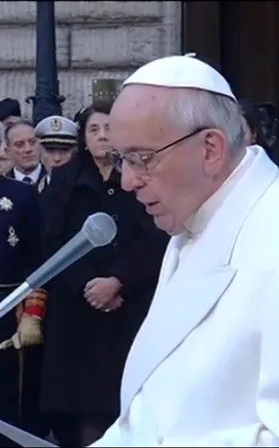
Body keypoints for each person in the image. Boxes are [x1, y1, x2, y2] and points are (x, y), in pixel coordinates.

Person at [93, 54, 279, 446]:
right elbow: (151, 408)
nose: (127, 182)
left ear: (210, 149)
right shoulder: (193, 219)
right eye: (120, 159)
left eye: (141, 159)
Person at [38, 95, 168, 447]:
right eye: (94, 129)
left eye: (109, 128)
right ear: (83, 137)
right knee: (75, 408)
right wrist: (87, 285)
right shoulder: (65, 179)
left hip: (125, 303)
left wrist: (117, 281)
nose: (101, 136)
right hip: (76, 307)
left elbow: (155, 235)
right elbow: (51, 241)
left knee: (116, 401)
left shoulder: (141, 174)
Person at [0, 114, 47, 446]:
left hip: (7, 309)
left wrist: (32, 315)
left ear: (0, 149)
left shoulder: (20, 196)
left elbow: (37, 260)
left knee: (7, 402)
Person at [33, 115, 78, 193]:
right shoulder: (34, 192)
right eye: (50, 151)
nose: (57, 158)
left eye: (64, 150)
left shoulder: (84, 190)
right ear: (41, 154)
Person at [4, 120, 48, 186]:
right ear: (8, 152)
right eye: (19, 144)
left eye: (32, 142)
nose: (28, 149)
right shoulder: (1, 184)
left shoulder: (54, 179)